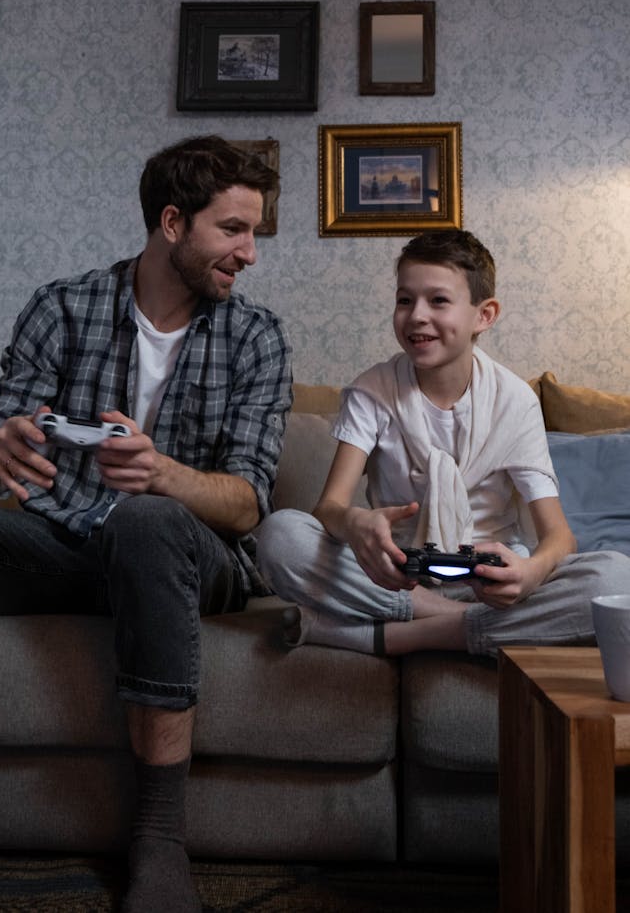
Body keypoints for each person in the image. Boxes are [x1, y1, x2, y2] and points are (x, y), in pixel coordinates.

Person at [0, 135, 292, 912]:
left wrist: (162, 474)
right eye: (234, 230)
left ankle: (160, 842)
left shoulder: (256, 337)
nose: (249, 252)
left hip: (187, 556)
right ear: (172, 221)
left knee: (145, 520)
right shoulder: (63, 306)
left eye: (253, 233)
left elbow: (247, 503)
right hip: (65, 541)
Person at [256, 228, 630, 659]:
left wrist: (529, 573)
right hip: (396, 577)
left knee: (616, 579)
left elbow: (558, 536)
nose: (416, 315)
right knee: (281, 536)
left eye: (438, 301)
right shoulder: (372, 391)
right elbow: (330, 508)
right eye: (404, 299)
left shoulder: (515, 401)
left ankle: (396, 635)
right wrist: (355, 522)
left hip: (486, 586)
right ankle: (452, 624)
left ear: (484, 315)